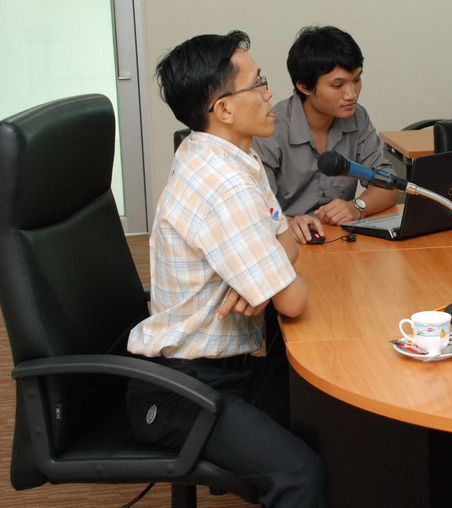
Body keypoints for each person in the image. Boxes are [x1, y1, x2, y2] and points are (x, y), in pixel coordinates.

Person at [126, 31, 327, 507]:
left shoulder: (229, 155)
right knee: (302, 475)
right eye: (257, 83)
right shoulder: (224, 184)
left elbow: (287, 243)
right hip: (181, 388)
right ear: (224, 109)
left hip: (227, 367)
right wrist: (269, 278)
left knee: (336, 419)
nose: (269, 93)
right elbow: (294, 301)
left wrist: (262, 275)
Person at [254, 25, 398, 243]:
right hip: (288, 244)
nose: (351, 94)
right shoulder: (271, 127)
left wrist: (357, 206)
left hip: (340, 240)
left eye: (356, 80)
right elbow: (255, 206)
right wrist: (288, 222)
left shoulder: (357, 117)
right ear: (304, 86)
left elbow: (389, 185)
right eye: (338, 85)